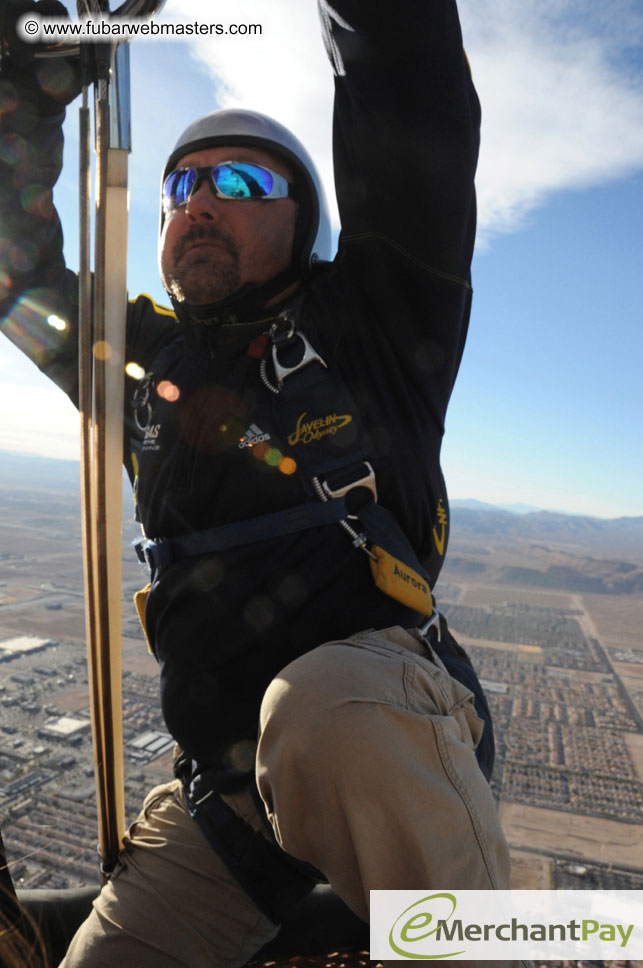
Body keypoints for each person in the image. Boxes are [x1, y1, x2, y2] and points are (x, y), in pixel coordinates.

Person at [0, 2, 526, 966]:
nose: (201, 201)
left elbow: (407, 88)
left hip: (377, 727)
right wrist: (23, 97)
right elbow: (14, 271)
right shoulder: (141, 365)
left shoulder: (373, 324)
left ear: (304, 222)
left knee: (323, 706)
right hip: (228, 792)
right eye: (183, 184)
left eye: (241, 181)